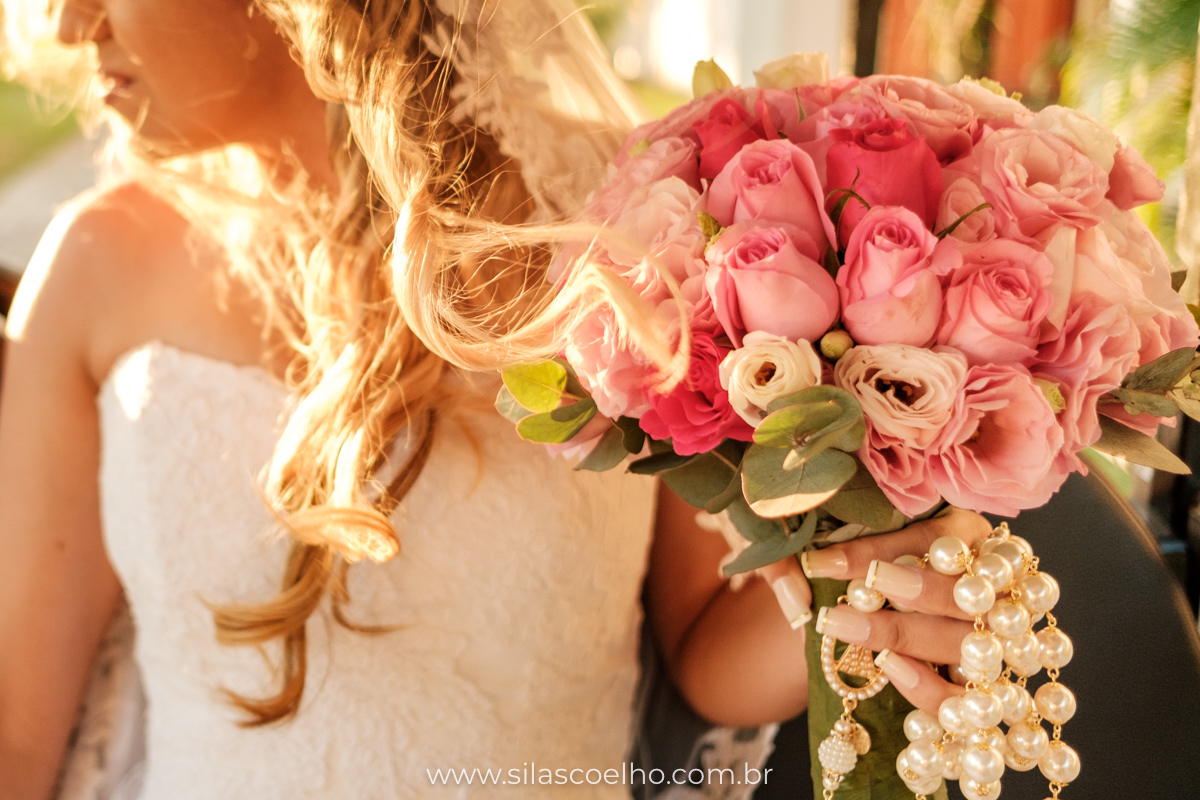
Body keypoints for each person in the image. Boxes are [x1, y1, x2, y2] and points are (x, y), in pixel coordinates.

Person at [0, 0, 987, 798]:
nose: (65, 26)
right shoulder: (92, 268)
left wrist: (880, 571)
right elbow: (18, 729)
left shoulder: (635, 229)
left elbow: (706, 648)